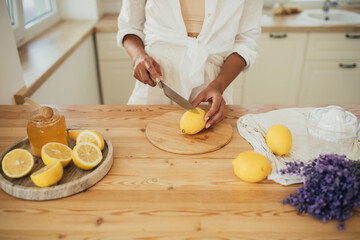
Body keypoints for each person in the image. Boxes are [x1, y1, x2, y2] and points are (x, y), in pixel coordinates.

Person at [117, 0, 262, 128]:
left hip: (212, 90)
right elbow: (130, 27)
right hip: (155, 80)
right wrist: (139, 57)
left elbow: (245, 41)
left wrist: (218, 85)